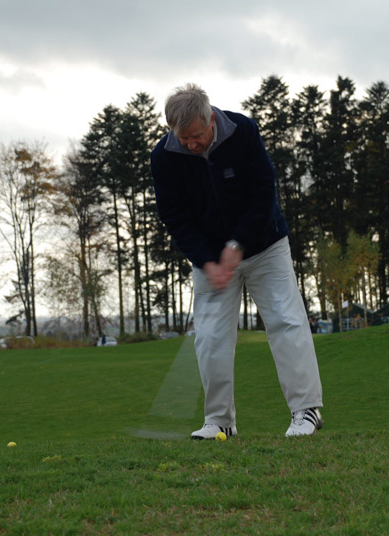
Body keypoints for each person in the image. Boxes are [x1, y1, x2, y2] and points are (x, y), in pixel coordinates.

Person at [150, 83, 323, 439]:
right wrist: (206, 260)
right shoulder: (164, 157)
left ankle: (306, 412)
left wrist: (238, 243)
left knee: (286, 322)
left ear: (210, 119)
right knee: (210, 337)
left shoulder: (243, 131)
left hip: (265, 246)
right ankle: (219, 422)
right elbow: (176, 216)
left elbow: (263, 191)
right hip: (210, 261)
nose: (191, 144)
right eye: (183, 138)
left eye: (196, 135)